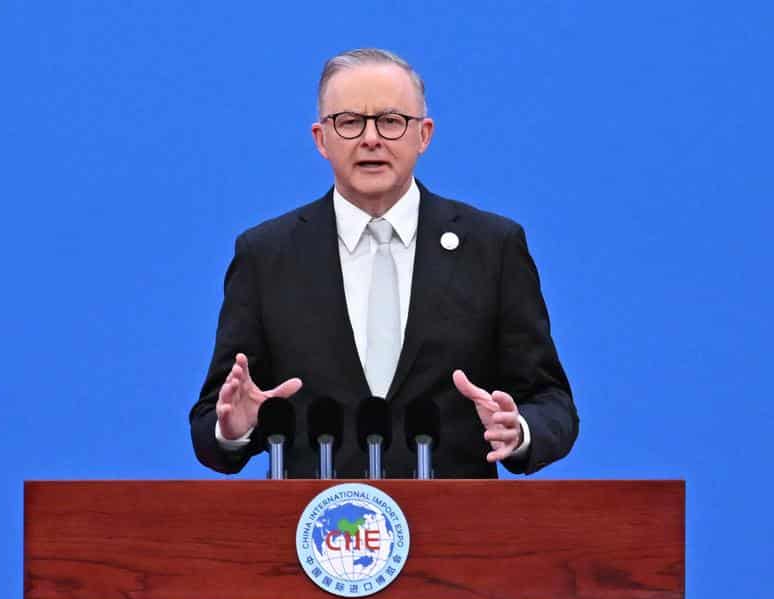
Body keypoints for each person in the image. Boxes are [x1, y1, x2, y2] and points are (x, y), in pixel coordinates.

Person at [189, 48, 577, 479]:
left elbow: (552, 402)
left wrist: (519, 428)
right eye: (350, 121)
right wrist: (234, 429)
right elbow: (211, 422)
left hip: (456, 530)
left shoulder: (492, 247)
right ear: (321, 138)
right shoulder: (266, 254)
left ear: (423, 135)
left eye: (391, 121)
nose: (370, 139)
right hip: (314, 533)